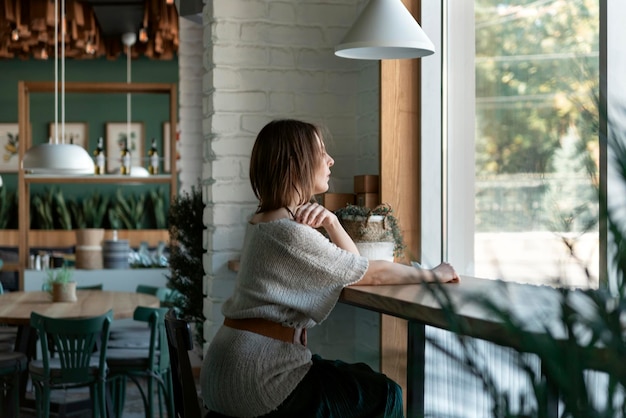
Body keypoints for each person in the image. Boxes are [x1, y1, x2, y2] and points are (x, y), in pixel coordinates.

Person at [200, 119, 459, 418]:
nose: (330, 160)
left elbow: (353, 267)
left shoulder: (264, 221)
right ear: (296, 164)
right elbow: (368, 272)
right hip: (256, 378)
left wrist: (332, 222)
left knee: (359, 377)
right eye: (321, 151)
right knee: (387, 395)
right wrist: (432, 275)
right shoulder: (288, 231)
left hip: (232, 366)